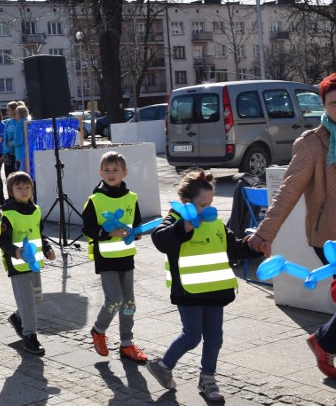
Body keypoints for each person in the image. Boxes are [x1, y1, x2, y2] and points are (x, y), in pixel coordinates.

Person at [248, 72, 336, 379]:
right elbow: (288, 191)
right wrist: (264, 233)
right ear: (324, 105)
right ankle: (323, 340)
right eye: (335, 103)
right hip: (329, 237)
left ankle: (323, 340)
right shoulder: (312, 144)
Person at [147, 169, 263, 402]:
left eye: (210, 204)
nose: (207, 209)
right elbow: (160, 239)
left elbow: (234, 247)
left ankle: (207, 379)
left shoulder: (215, 222)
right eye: (202, 205)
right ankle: (163, 365)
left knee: (214, 338)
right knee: (191, 337)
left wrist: (253, 246)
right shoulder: (176, 219)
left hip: (216, 291)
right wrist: (185, 227)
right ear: (186, 202)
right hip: (189, 292)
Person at [81, 151, 148, 363]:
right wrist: (108, 233)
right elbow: (88, 228)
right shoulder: (95, 199)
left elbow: (136, 224)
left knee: (129, 303)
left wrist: (134, 233)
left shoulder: (132, 197)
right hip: (106, 258)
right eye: (107, 170)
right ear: (101, 172)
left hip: (126, 258)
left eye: (115, 170)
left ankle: (127, 344)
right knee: (115, 300)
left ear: (124, 173)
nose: (111, 174)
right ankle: (98, 331)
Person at [0, 171, 56, 355]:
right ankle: (30, 337)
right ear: (11, 191)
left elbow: (39, 234)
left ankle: (17, 317)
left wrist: (47, 249)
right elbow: (3, 241)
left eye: (27, 187)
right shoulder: (9, 214)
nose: (23, 191)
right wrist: (16, 251)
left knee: (36, 299)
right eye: (19, 188)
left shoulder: (36, 210)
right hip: (18, 265)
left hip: (35, 264)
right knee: (28, 304)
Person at [2, 101, 19, 178]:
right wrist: (4, 153)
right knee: (8, 176)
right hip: (7, 154)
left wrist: (12, 143)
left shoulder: (19, 122)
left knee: (15, 176)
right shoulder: (8, 121)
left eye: (8, 110)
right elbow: (5, 138)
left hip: (16, 154)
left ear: (14, 110)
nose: (7, 112)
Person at [12, 105, 30, 171]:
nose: (15, 115)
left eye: (16, 113)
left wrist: (11, 143)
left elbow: (18, 142)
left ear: (20, 115)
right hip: (30, 152)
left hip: (21, 154)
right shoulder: (30, 123)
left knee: (22, 178)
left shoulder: (19, 125)